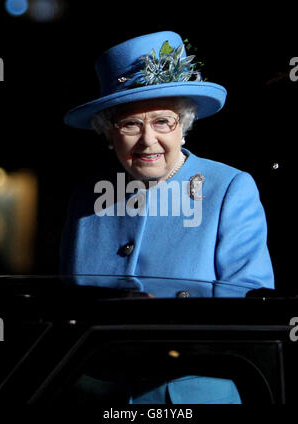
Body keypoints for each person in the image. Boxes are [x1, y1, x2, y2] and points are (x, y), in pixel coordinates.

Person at [61, 31, 274, 404]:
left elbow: (250, 312)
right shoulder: (85, 199)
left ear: (184, 123)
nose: (148, 140)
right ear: (109, 132)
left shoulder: (229, 188)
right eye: (130, 124)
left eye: (163, 121)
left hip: (191, 397)